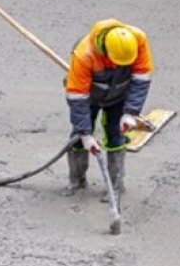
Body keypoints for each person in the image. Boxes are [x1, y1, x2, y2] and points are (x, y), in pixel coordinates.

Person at [64, 19, 153, 200]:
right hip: (89, 95)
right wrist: (85, 134)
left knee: (116, 135)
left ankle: (115, 185)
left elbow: (141, 79)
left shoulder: (138, 40)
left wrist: (131, 112)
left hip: (120, 93)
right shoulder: (84, 54)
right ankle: (77, 180)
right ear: (105, 51)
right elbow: (77, 97)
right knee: (78, 139)